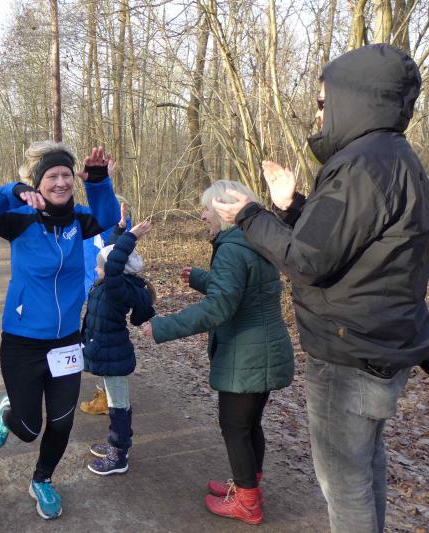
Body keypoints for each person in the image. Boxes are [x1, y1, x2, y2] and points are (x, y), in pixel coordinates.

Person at [211, 44, 427, 533]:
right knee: (365, 466)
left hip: (350, 354)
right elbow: (347, 242)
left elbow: (306, 260)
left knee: (344, 484)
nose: (319, 113)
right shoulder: (396, 159)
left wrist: (249, 215)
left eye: (324, 102)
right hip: (382, 346)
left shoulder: (360, 166)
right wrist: (291, 207)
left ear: (357, 98)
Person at [0, 142, 120, 520]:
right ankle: (8, 412)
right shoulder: (20, 219)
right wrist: (14, 190)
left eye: (67, 175)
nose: (61, 182)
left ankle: (42, 479)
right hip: (22, 342)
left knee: (62, 420)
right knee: (27, 428)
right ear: (38, 182)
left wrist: (98, 181)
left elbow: (109, 217)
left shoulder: (79, 219)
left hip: (66, 341)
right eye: (52, 176)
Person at [144, 180, 294, 525]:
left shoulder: (231, 249)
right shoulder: (256, 240)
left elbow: (218, 308)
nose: (202, 215)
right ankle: (247, 485)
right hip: (265, 349)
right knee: (249, 424)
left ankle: (247, 503)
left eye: (207, 208)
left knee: (235, 427)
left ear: (225, 212)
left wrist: (164, 326)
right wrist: (200, 278)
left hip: (247, 355)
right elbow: (240, 288)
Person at [82, 219, 156, 475]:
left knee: (119, 407)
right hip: (107, 353)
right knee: (116, 404)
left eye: (99, 266)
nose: (96, 268)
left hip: (114, 354)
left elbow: (113, 262)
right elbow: (112, 255)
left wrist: (132, 237)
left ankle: (118, 455)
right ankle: (117, 445)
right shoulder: (113, 285)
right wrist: (120, 231)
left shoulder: (116, 287)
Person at [80, 197, 133, 416]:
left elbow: (112, 255)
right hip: (93, 289)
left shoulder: (112, 229)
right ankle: (107, 397)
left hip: (104, 292)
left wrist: (120, 225)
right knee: (98, 343)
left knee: (105, 345)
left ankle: (111, 402)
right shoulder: (96, 225)